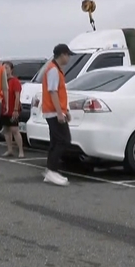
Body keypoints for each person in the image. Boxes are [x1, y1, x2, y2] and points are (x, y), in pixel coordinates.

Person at [41, 44, 74, 186]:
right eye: (68, 55)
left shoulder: (53, 68)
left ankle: (50, 171)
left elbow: (58, 93)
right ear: (62, 55)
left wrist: (65, 111)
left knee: (55, 141)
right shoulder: (53, 70)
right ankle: (51, 171)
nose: (69, 58)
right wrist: (60, 113)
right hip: (54, 112)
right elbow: (53, 92)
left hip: (54, 111)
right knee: (64, 140)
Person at [0, 61, 24, 158]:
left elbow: (17, 96)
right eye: (3, 68)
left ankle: (21, 151)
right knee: (6, 129)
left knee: (15, 129)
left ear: (11, 69)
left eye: (7, 68)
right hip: (4, 109)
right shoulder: (2, 81)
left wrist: (15, 109)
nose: (5, 70)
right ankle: (9, 149)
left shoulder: (15, 81)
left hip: (13, 109)